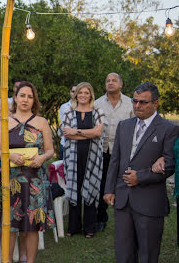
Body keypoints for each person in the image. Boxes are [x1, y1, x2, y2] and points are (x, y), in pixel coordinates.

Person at [104, 82, 179, 263]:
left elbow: (169, 165)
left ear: (156, 103)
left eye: (143, 102)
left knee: (147, 254)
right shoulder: (124, 126)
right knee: (123, 253)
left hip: (150, 201)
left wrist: (141, 177)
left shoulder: (169, 129)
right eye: (135, 101)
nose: (137, 106)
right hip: (123, 199)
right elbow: (115, 160)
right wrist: (109, 189)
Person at [0, 81, 55, 263]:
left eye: (29, 96)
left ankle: (30, 261)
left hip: (35, 180)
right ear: (16, 98)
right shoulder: (5, 122)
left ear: (33, 99)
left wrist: (42, 158)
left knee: (32, 225)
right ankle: (8, 260)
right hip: (11, 181)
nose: (25, 99)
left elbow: (50, 150)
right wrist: (10, 155)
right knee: (10, 224)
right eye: (22, 96)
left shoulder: (41, 122)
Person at [62, 82, 105, 238]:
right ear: (76, 94)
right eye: (80, 92)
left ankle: (89, 228)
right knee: (74, 187)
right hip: (72, 156)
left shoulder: (97, 111)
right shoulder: (69, 112)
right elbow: (67, 133)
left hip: (92, 155)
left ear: (91, 95)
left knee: (91, 188)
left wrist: (77, 131)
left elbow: (98, 132)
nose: (83, 95)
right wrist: (88, 133)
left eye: (86, 93)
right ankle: (73, 227)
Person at [94, 73, 133, 232]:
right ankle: (101, 218)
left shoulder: (130, 104)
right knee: (102, 184)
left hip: (124, 152)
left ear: (121, 84)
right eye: (107, 81)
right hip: (102, 151)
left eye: (114, 80)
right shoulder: (97, 104)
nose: (110, 83)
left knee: (123, 184)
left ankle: (124, 218)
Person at [59, 84, 77, 159]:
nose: (75, 94)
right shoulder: (64, 107)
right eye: (73, 91)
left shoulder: (86, 107)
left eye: (77, 92)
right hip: (65, 143)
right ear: (70, 92)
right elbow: (63, 126)